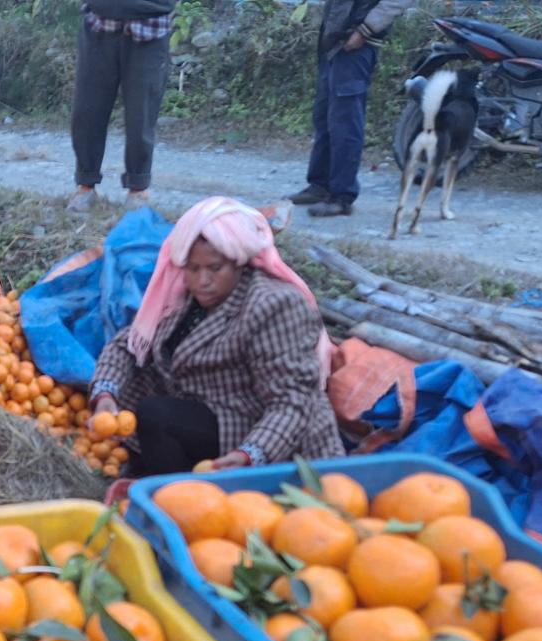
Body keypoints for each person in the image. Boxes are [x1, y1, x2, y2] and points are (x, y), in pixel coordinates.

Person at [90, 197, 344, 477]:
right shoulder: (183, 293)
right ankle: (166, 482)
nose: (202, 281)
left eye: (214, 268)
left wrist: (249, 454)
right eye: (193, 268)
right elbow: (129, 343)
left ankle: (179, 495)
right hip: (208, 408)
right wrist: (105, 393)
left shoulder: (273, 305)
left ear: (239, 262)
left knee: (155, 414)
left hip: (257, 427)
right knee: (136, 384)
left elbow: (293, 401)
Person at [293, 0, 415, 217]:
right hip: (333, 43)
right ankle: (320, 186)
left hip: (356, 45)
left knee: (345, 124)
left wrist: (365, 30)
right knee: (324, 118)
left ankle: (342, 197)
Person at [68, 0, 177, 214]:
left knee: (141, 116)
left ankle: (138, 188)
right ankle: (86, 185)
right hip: (99, 29)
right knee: (87, 111)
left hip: (150, 33)